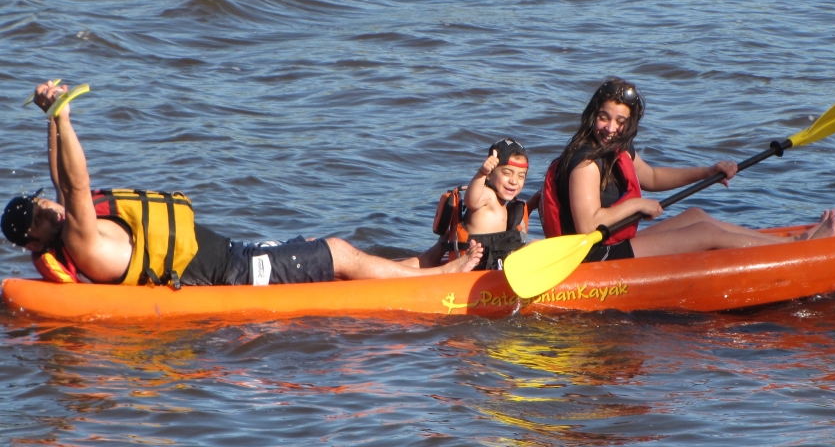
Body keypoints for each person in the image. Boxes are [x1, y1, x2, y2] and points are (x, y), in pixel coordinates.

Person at [1, 81, 482, 286]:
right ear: (33, 243)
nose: (53, 211)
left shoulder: (70, 225)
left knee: (337, 254)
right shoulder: (81, 238)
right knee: (336, 252)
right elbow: (77, 188)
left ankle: (419, 265)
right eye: (43, 218)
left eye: (46, 205)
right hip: (230, 274)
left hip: (230, 257)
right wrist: (64, 117)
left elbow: (62, 182)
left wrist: (51, 119)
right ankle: (439, 279)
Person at [539, 77, 835, 262]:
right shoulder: (586, 163)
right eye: (605, 118)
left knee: (696, 216)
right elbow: (589, 226)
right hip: (592, 258)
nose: (611, 128)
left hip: (613, 245)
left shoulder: (617, 149)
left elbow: (652, 177)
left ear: (630, 124)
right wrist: (637, 204)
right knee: (705, 234)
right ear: (593, 116)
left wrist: (707, 171)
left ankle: (795, 244)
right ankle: (796, 256)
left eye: (620, 121)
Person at [419, 138, 535, 271]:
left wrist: (533, 203)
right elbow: (471, 200)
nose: (514, 181)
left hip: (494, 262)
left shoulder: (502, 203)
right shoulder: (487, 195)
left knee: (535, 245)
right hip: (477, 266)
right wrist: (482, 172)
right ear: (490, 175)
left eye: (521, 176)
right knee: (535, 245)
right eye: (507, 173)